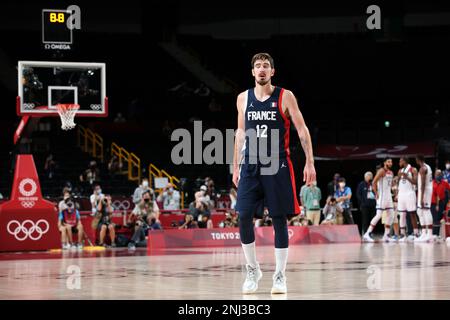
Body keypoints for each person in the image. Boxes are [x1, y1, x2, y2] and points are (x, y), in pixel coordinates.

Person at [232, 53, 316, 294]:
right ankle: (252, 269)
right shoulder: (242, 98)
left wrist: (309, 162)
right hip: (250, 164)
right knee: (244, 215)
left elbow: (302, 129)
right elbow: (240, 133)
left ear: (272, 72)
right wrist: (235, 165)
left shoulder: (285, 96)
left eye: (265, 66)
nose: (261, 70)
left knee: (279, 219)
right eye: (257, 66)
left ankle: (279, 276)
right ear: (252, 72)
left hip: (277, 163)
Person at [363, 158, 395, 242]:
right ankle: (367, 233)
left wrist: (394, 188)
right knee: (379, 215)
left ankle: (386, 236)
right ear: (384, 163)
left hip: (389, 196)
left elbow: (390, 185)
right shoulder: (381, 171)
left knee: (391, 215)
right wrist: (376, 193)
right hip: (382, 196)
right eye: (388, 161)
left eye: (391, 161)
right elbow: (373, 182)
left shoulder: (391, 172)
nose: (390, 163)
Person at [396, 157, 419, 241]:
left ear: (404, 161)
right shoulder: (399, 171)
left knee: (412, 214)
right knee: (402, 215)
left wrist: (407, 177)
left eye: (400, 161)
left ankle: (416, 233)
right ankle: (402, 234)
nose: (399, 162)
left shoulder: (413, 169)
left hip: (410, 193)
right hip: (401, 194)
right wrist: (396, 194)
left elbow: (415, 182)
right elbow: (398, 183)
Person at [415, 155, 434, 242]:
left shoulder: (423, 168)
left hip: (425, 191)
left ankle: (429, 234)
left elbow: (423, 184)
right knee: (420, 211)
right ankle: (423, 233)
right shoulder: (427, 166)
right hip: (423, 191)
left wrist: (422, 197)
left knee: (426, 210)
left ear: (418, 160)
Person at [431, 170, 450, 237]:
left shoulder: (445, 183)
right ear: (434, 175)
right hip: (433, 204)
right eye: (437, 174)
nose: (438, 175)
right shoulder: (431, 183)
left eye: (439, 174)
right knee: (435, 219)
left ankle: (437, 235)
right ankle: (434, 235)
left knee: (439, 219)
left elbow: (449, 190)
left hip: (442, 203)